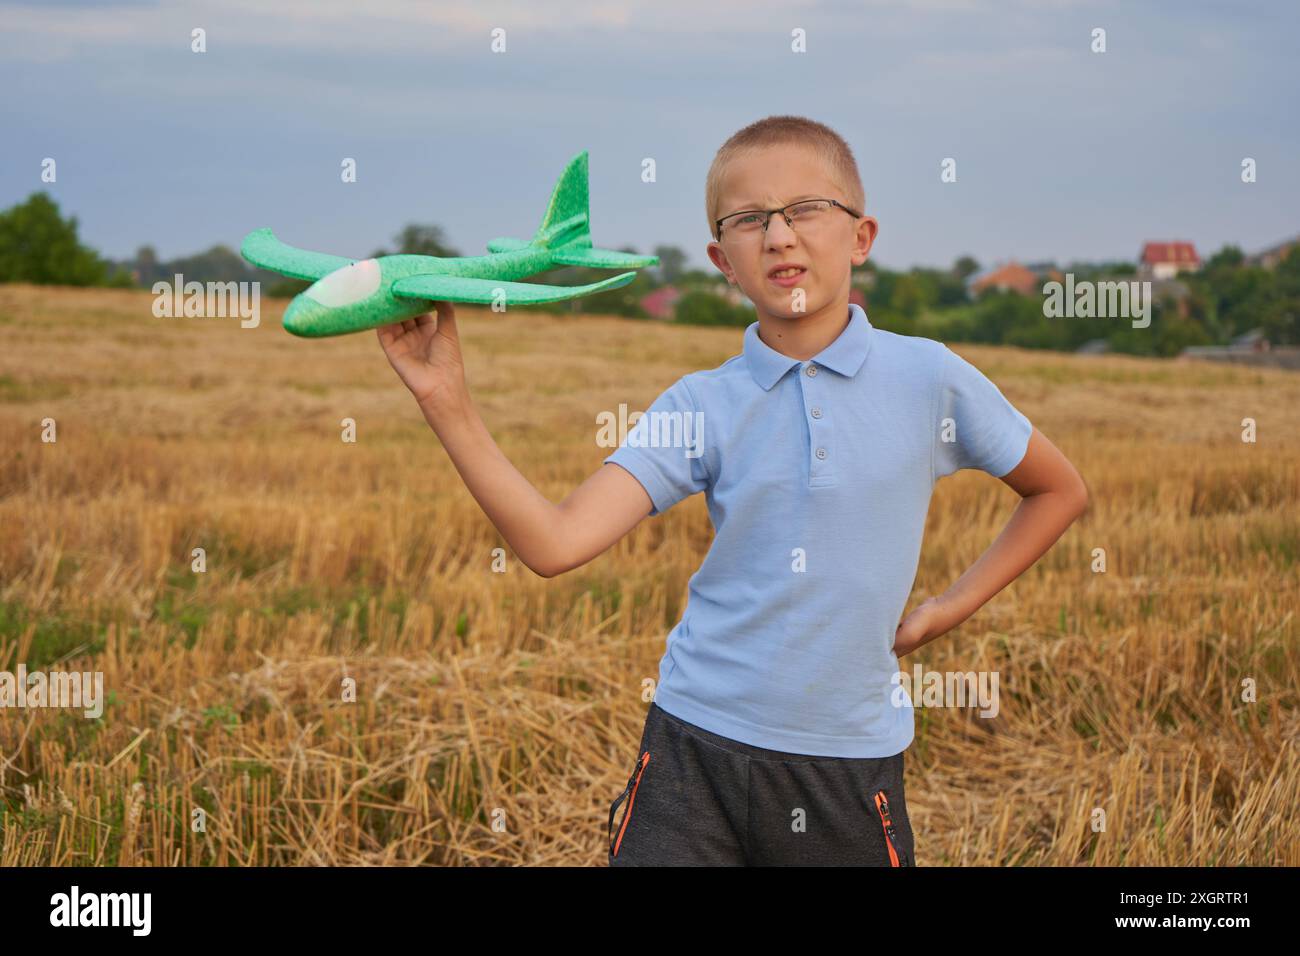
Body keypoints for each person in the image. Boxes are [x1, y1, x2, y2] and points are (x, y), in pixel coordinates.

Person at [376, 115, 1088, 866]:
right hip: (692, 754)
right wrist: (445, 400)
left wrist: (945, 610)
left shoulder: (928, 379)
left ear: (862, 236)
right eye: (749, 221)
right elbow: (553, 545)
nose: (778, 236)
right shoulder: (699, 405)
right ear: (723, 259)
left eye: (806, 209)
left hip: (845, 766)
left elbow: (1057, 491)